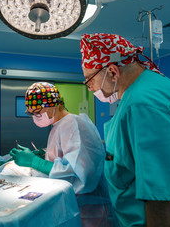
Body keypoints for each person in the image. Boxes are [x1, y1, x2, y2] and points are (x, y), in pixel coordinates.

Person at [80, 33, 170, 226]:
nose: (90, 88)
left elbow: (165, 200)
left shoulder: (142, 104)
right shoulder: (155, 88)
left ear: (112, 72)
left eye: (90, 81)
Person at [9, 82, 118, 226]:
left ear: (54, 105)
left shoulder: (74, 124)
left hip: (90, 212)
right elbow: (67, 159)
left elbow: (79, 175)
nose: (35, 117)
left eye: (37, 112)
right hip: (75, 206)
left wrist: (35, 162)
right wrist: (44, 155)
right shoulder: (59, 126)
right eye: (31, 113)